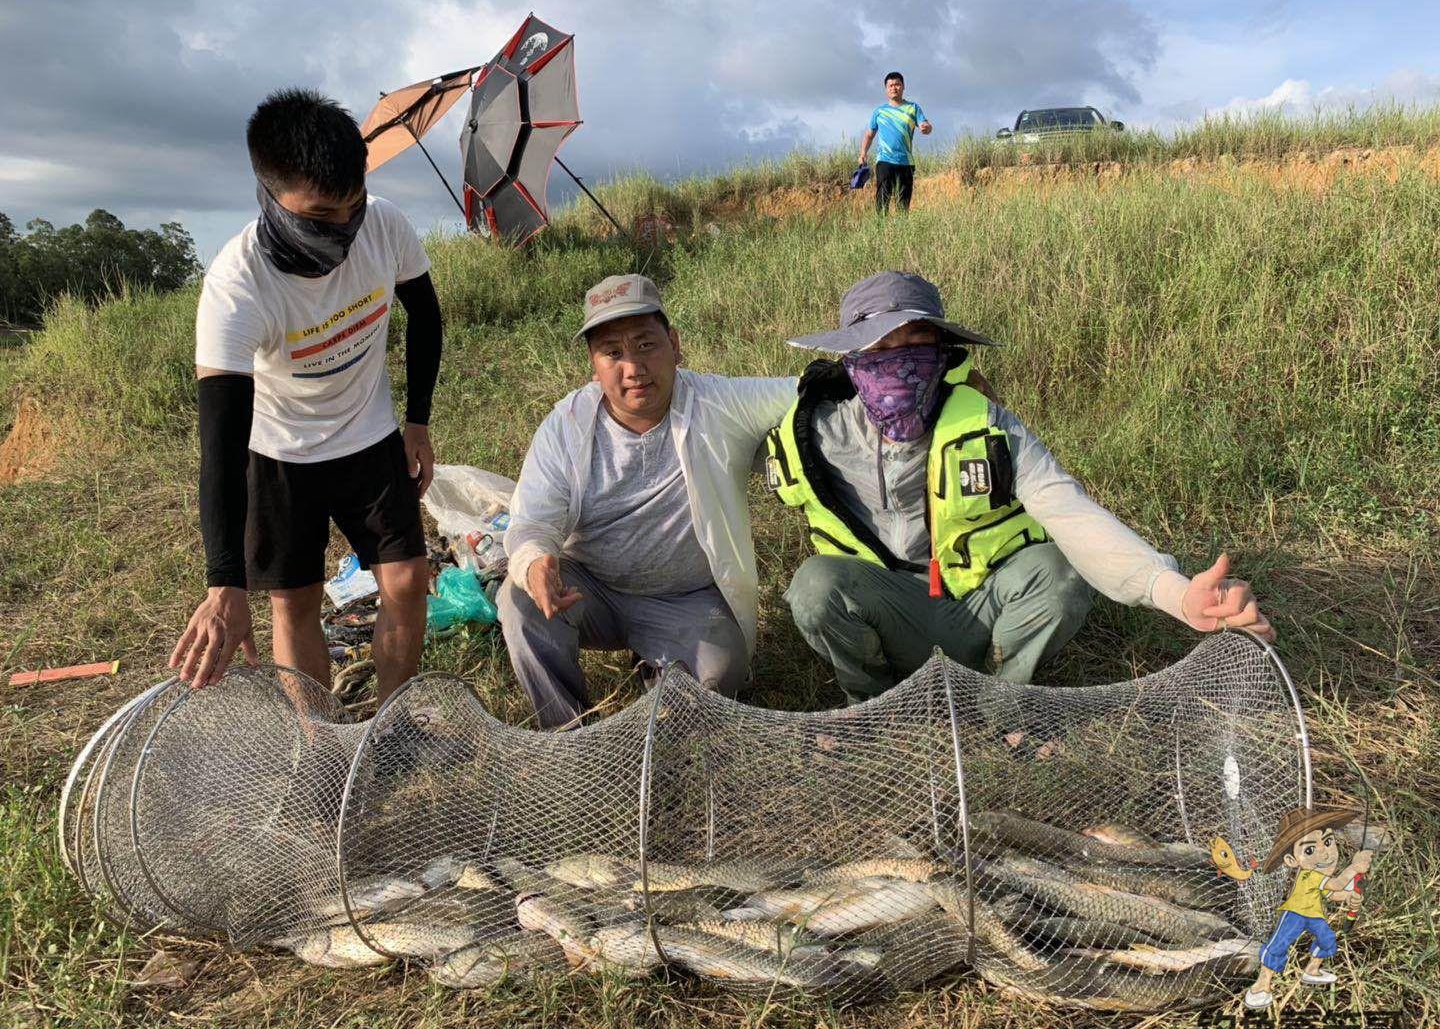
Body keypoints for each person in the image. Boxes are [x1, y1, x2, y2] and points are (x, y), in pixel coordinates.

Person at [766, 270, 1274, 705]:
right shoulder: (816, 433)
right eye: (880, 347)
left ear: (943, 353)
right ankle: (877, 703)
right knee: (814, 586)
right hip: (890, 605)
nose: (899, 364)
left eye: (917, 343)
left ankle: (1002, 701)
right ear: (850, 361)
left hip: (984, 603)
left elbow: (1070, 512)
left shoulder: (992, 427)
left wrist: (1178, 594)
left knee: (1061, 573)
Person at [169, 88, 442, 705]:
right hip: (279, 451)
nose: (345, 228)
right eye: (321, 217)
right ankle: (321, 743)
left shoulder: (386, 226)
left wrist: (417, 422)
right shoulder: (237, 288)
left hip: (368, 435)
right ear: (270, 195)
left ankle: (390, 731)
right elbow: (221, 442)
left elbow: (425, 315)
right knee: (295, 605)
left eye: (354, 207)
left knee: (405, 582)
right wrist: (224, 584)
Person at [499, 275, 796, 729]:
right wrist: (535, 562)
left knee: (721, 675)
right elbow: (531, 523)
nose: (633, 367)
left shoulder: (720, 402)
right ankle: (565, 735)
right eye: (613, 353)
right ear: (594, 365)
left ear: (675, 345)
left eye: (645, 345)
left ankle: (659, 675)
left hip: (684, 597)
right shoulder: (566, 426)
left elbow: (803, 393)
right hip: (588, 590)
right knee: (519, 602)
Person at [1243, 806, 1372, 1009]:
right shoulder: (1310, 874)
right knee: (1279, 944)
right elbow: (1336, 884)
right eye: (1310, 850)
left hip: (1314, 915)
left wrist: (1350, 897)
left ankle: (1312, 970)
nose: (1325, 853)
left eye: (1328, 842)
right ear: (1291, 860)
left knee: (1327, 938)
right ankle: (1262, 984)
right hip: (1295, 914)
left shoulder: (1321, 877)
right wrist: (1354, 867)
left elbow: (1333, 893)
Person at [859, 71, 932, 214]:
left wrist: (926, 128)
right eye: (891, 85)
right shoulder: (879, 111)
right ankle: (881, 232)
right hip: (884, 161)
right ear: (886, 89)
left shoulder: (913, 108)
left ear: (903, 87)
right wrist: (863, 153)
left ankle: (901, 233)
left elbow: (926, 126)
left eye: (897, 84)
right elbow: (869, 134)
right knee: (882, 201)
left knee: (903, 204)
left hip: (906, 162)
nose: (894, 88)